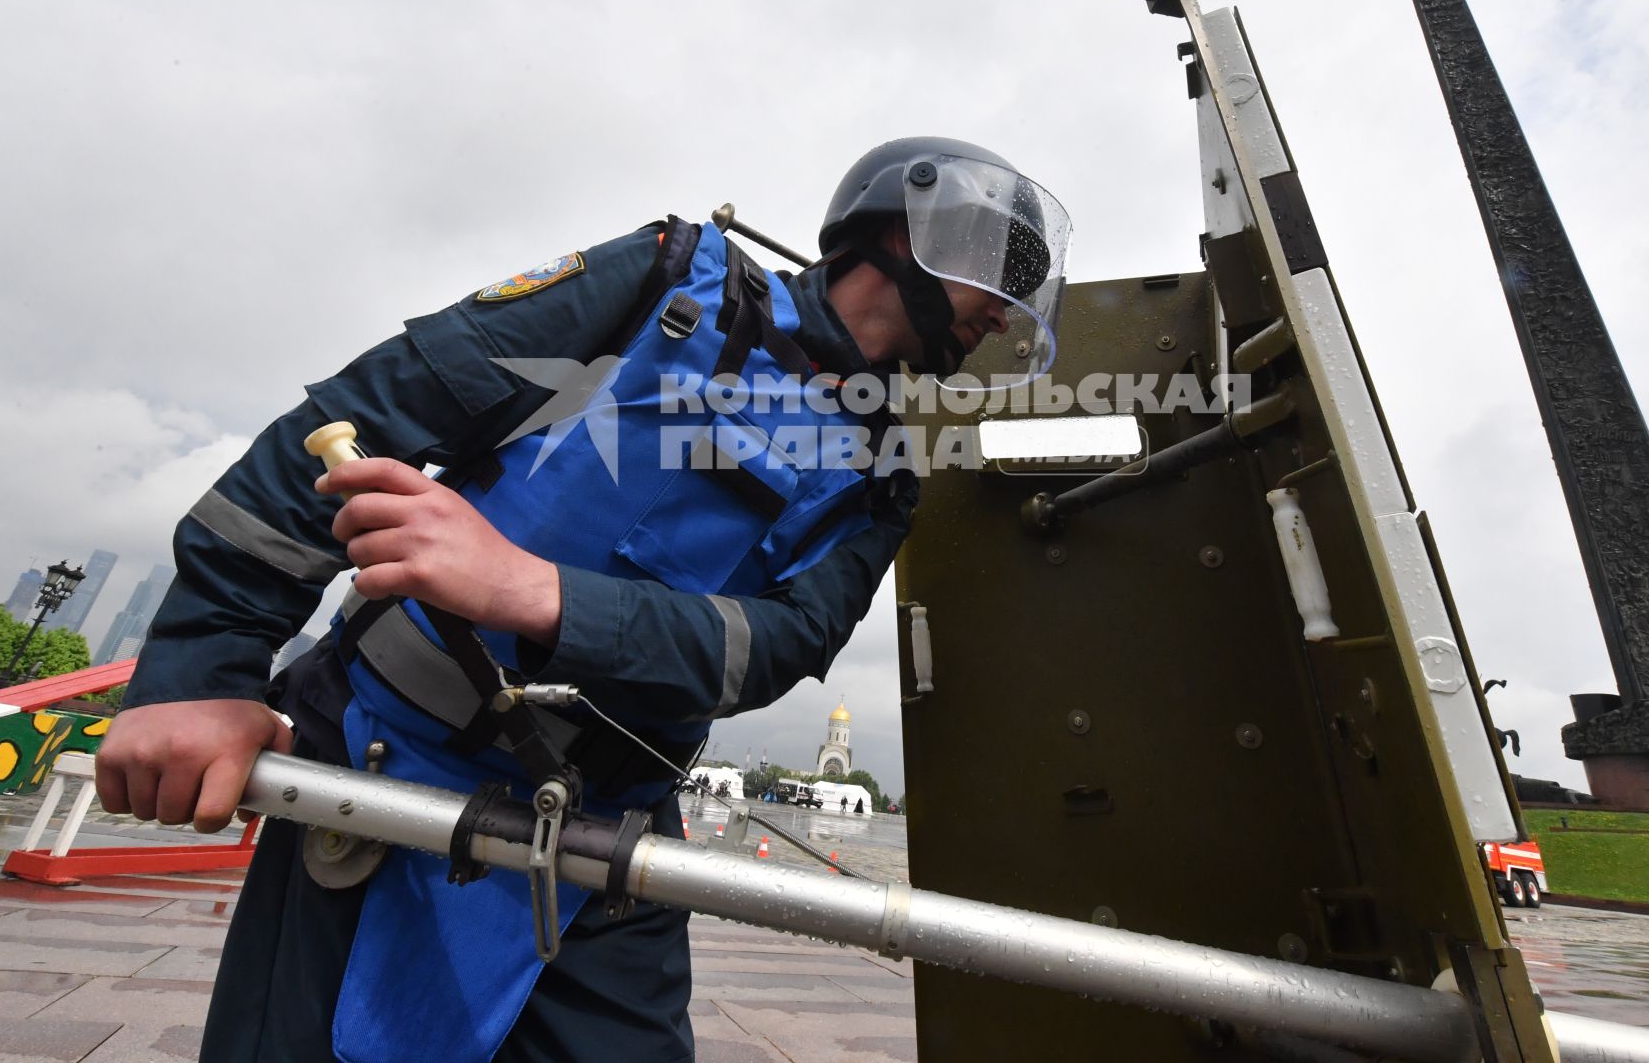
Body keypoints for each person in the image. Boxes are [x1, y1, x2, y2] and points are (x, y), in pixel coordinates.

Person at [94, 137, 1070, 1063]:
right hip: (388, 765)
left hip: (609, 832)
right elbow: (359, 416)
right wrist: (199, 672)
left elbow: (775, 646)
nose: (1007, 303)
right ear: (899, 229)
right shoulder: (667, 283)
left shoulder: (885, 467)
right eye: (996, 261)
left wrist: (533, 588)